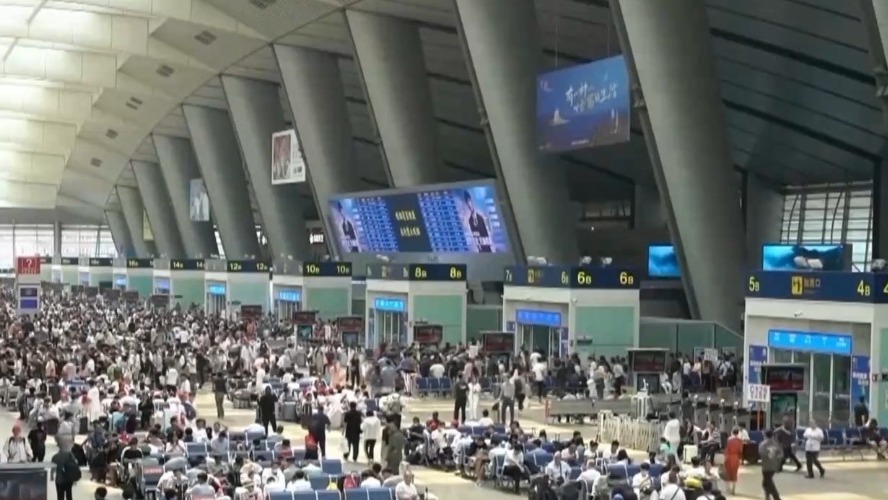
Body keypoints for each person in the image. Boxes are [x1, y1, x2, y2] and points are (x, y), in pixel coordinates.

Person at [758, 430, 783, 500]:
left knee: (769, 483)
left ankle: (776, 497)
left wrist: (769, 455)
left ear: (765, 436)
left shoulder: (762, 444)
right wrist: (776, 458)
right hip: (774, 466)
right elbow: (781, 454)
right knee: (765, 483)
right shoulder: (776, 443)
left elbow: (761, 453)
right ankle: (767, 496)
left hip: (766, 466)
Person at [723, 428, 743, 495]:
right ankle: (733, 489)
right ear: (738, 433)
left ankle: (728, 489)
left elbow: (727, 450)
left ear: (732, 432)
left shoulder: (729, 440)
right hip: (736, 458)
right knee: (734, 474)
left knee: (727, 473)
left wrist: (724, 459)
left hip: (729, 457)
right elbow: (740, 451)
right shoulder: (740, 441)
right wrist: (740, 459)